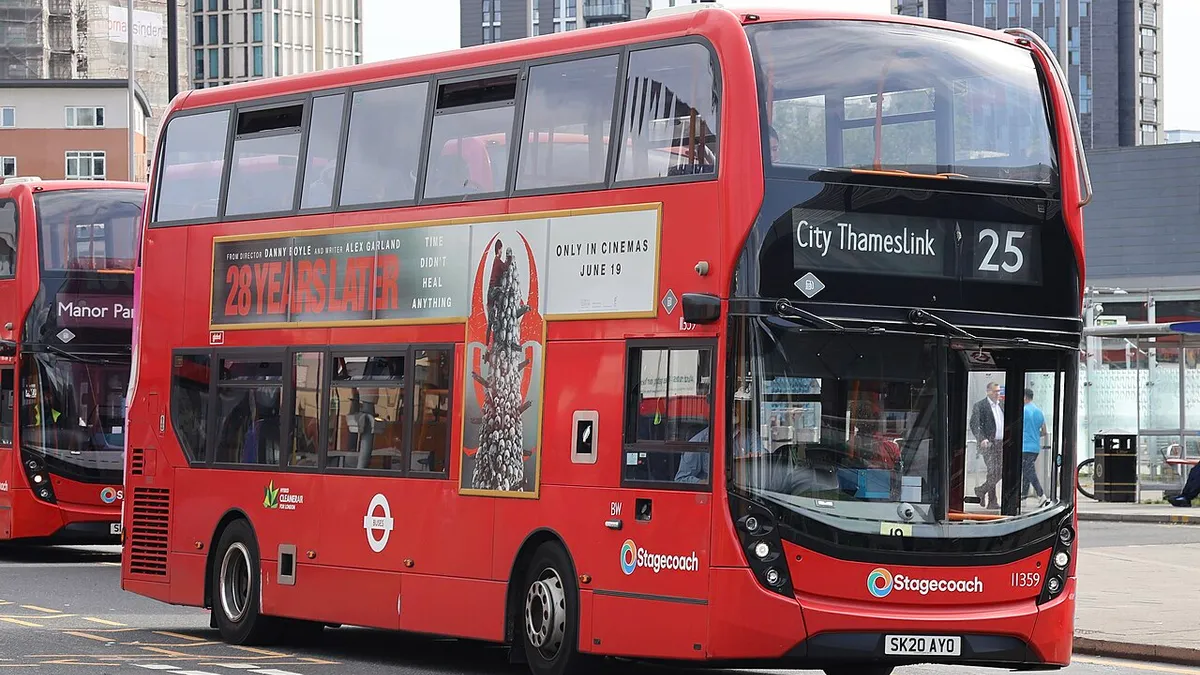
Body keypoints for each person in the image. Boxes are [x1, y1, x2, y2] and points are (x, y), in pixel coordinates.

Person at [968, 382, 1004, 509]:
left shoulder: (1002, 405)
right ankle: (992, 501)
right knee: (992, 471)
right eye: (995, 391)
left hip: (1001, 444)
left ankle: (981, 491)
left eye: (999, 391)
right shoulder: (980, 406)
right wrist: (981, 438)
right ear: (988, 391)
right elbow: (974, 424)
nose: (997, 394)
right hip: (988, 444)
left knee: (1000, 472)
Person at [1021, 388, 1050, 507]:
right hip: (1035, 447)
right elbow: (1044, 431)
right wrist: (1034, 434)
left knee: (1028, 471)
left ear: (1024, 397)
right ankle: (1023, 497)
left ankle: (1041, 494)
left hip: (1024, 446)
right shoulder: (1039, 411)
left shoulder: (1022, 410)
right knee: (1026, 471)